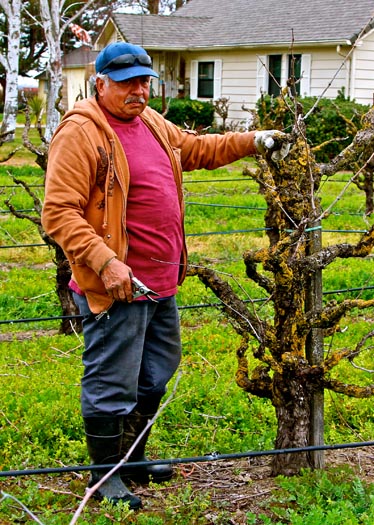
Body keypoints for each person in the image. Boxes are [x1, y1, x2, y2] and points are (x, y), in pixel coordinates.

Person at [41, 41, 289, 510]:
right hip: (115, 285)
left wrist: (253, 140)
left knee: (155, 374)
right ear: (100, 83)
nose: (138, 91)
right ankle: (105, 476)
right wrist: (104, 260)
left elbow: (195, 148)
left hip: (161, 280)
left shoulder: (151, 123)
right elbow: (58, 212)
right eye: (126, 82)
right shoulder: (82, 133)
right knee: (113, 382)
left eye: (144, 81)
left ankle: (132, 460)